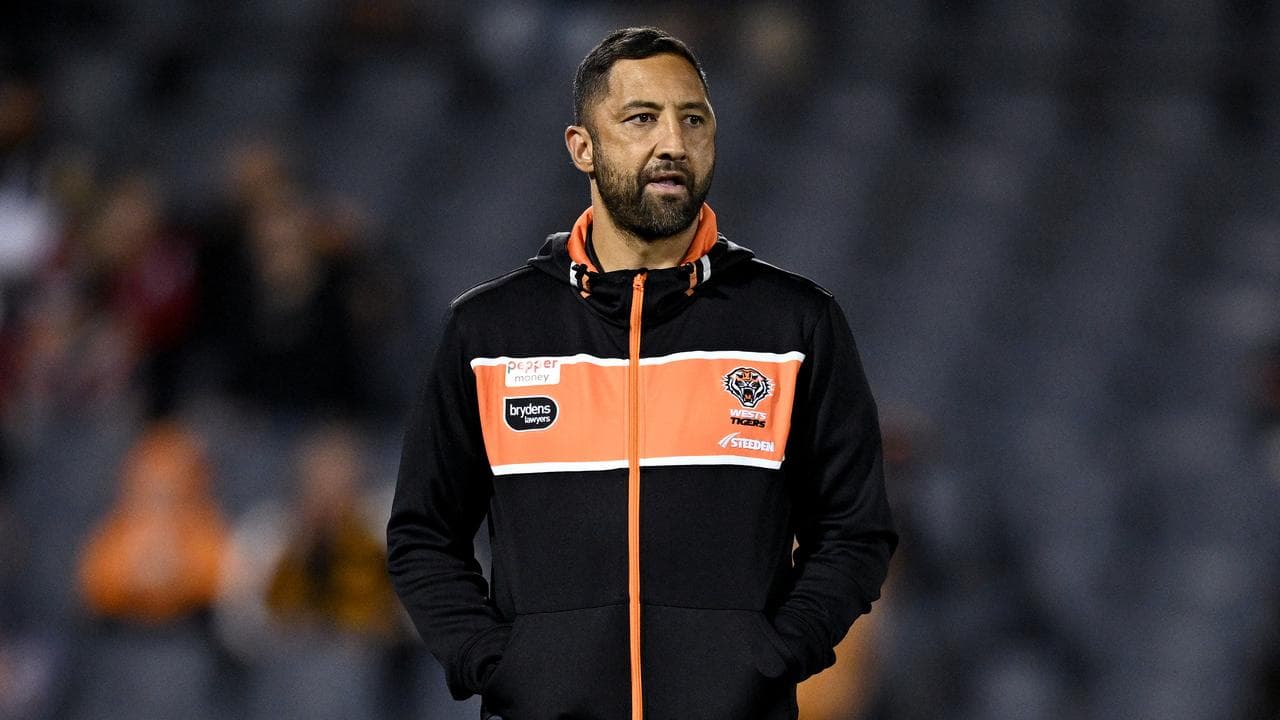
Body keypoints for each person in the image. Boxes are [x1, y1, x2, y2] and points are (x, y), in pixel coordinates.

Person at [387, 26, 896, 720]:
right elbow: (422, 537)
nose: (673, 143)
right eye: (642, 119)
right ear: (582, 148)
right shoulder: (488, 334)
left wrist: (769, 657)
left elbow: (855, 532)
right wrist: (501, 665)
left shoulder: (795, 326)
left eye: (694, 120)